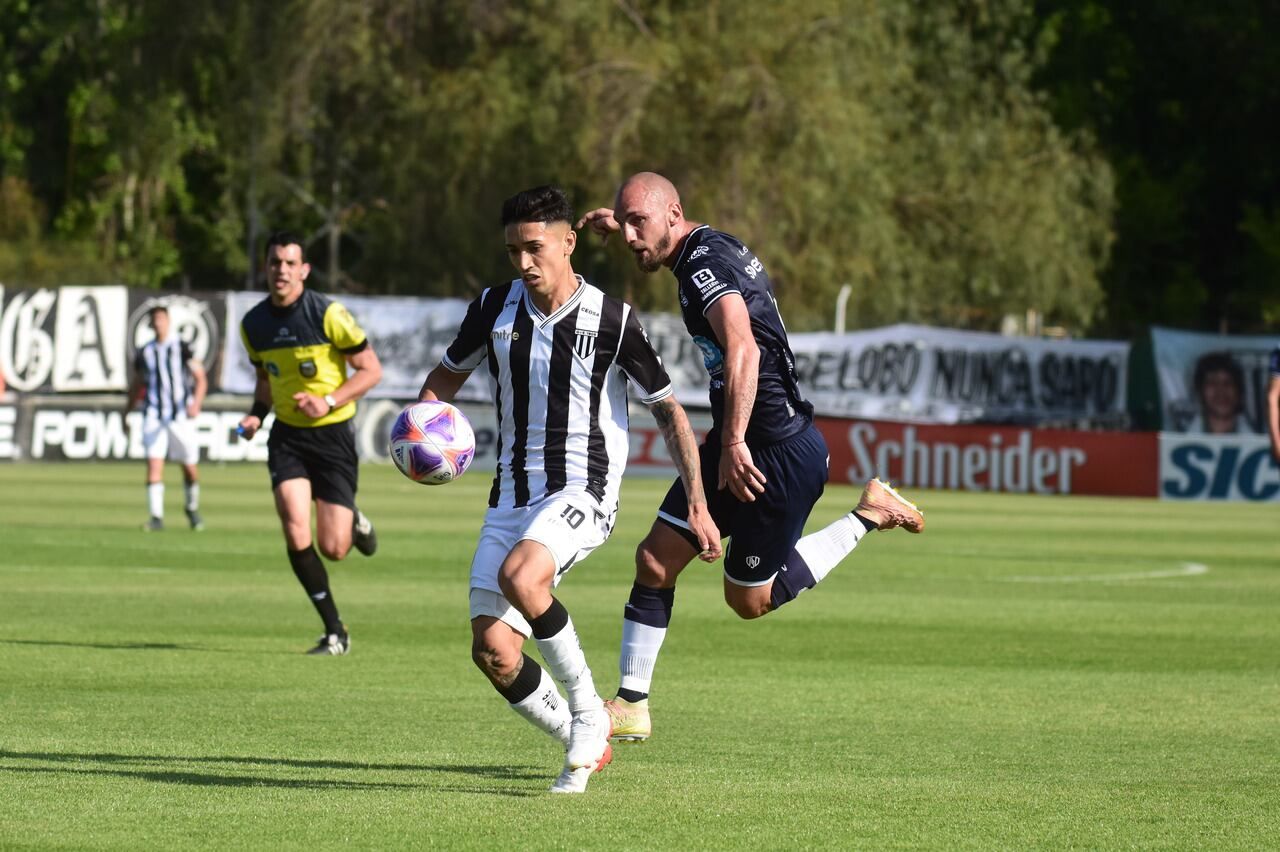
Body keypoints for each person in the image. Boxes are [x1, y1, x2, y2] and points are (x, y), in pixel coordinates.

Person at [577, 172, 925, 742]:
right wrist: (622, 222)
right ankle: (633, 704)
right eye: (626, 222)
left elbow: (742, 345)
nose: (631, 235)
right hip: (735, 446)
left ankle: (868, 514)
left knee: (748, 600)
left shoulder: (701, 267)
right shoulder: (701, 244)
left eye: (639, 221)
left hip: (776, 455)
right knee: (655, 560)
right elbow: (658, 232)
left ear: (674, 213)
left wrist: (734, 441)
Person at [417, 185, 720, 794]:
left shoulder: (614, 320)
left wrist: (697, 501)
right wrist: (420, 434)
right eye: (513, 252)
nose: (524, 263)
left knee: (522, 579)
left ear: (568, 242)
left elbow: (670, 413)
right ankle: (584, 740)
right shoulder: (492, 308)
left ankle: (589, 714)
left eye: (535, 248)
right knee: (494, 652)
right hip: (509, 494)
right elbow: (441, 383)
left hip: (584, 489)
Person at [237, 232, 382, 656]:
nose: (281, 270)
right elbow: (267, 381)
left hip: (333, 435)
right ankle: (334, 631)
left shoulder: (327, 313)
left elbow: (371, 370)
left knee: (334, 548)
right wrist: (255, 416)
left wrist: (329, 400)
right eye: (274, 263)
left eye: (289, 263)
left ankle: (352, 519)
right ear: (266, 268)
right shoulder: (254, 325)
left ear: (303, 270)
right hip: (287, 437)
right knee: (294, 526)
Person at [126, 304, 207, 531]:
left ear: (168, 321)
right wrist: (127, 411)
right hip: (153, 414)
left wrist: (196, 403)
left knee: (189, 467)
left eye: (162, 318)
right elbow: (137, 384)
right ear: (151, 324)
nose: (159, 323)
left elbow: (200, 378)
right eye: (155, 319)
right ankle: (156, 517)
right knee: (154, 464)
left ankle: (191, 508)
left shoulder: (181, 347)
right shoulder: (145, 352)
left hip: (180, 415)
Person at [1189, 351, 1245, 434]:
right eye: (1212, 383)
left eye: (1228, 383)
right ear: (1200, 391)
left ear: (1238, 391)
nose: (1221, 391)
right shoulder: (1176, 438)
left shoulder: (1263, 438)